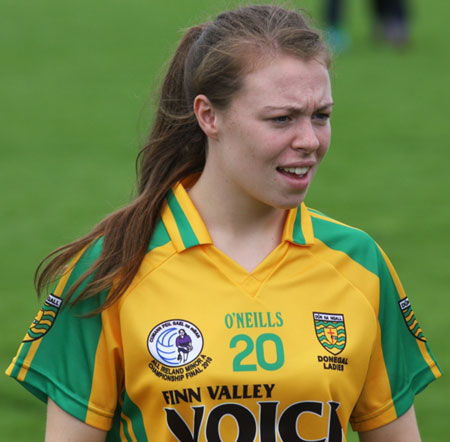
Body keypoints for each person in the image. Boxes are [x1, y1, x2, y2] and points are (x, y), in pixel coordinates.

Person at [6, 4, 440, 442]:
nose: (309, 140)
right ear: (208, 116)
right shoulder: (113, 268)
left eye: (321, 116)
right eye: (281, 118)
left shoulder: (359, 263)